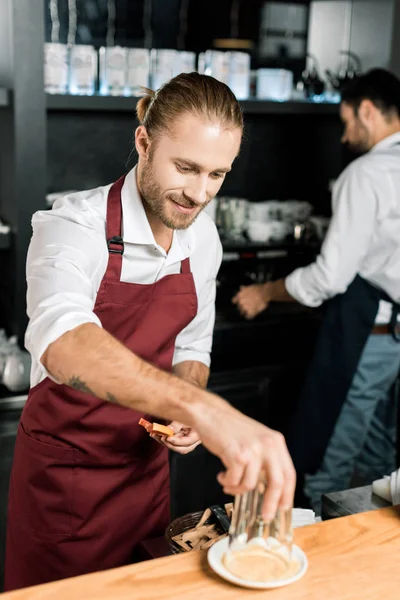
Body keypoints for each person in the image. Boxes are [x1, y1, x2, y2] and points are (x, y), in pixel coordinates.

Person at [4, 73, 295, 592]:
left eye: (217, 175)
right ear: (143, 141)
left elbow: (192, 343)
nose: (199, 193)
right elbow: (63, 339)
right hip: (64, 483)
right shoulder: (73, 225)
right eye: (185, 167)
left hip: (144, 477)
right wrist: (204, 410)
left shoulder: (201, 235)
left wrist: (185, 398)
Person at [232, 68, 400, 513]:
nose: (345, 136)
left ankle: (309, 558)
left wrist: (264, 292)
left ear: (367, 110)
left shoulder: (366, 174)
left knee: (326, 457)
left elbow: (330, 277)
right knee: (383, 460)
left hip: (370, 333)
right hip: (393, 337)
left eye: (346, 122)